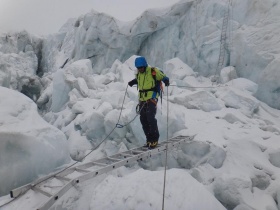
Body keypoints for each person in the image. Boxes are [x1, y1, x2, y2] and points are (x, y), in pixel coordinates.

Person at [128, 56, 170, 149]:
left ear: (145, 65)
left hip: (152, 97)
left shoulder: (152, 71)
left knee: (150, 117)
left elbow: (162, 77)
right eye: (138, 68)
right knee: (143, 119)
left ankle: (154, 139)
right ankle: (149, 139)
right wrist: (133, 82)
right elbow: (139, 80)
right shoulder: (139, 74)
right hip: (142, 99)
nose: (140, 69)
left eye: (141, 68)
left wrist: (166, 80)